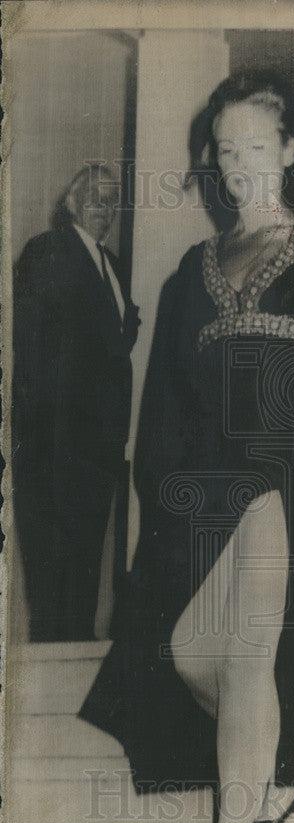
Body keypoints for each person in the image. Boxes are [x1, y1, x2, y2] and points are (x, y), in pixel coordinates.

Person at [79, 72, 294, 823]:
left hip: (293, 470)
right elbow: (163, 404)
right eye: (225, 151)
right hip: (208, 485)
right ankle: (278, 773)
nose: (241, 166)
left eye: (256, 148)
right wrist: (168, 500)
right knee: (183, 653)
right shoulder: (185, 275)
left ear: (289, 151)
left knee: (244, 660)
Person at [12, 165, 140, 641]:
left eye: (112, 201)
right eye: (94, 198)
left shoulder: (111, 265)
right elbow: (31, 352)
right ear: (72, 203)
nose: (104, 209)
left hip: (97, 450)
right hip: (56, 448)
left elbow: (108, 344)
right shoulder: (49, 251)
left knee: (83, 572)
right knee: (53, 581)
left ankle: (69, 686)